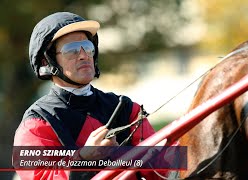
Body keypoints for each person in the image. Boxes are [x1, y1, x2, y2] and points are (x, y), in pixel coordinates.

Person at [13, 12, 164, 180]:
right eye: (72, 50)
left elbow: (164, 169)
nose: (84, 55)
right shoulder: (37, 123)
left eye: (88, 47)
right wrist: (84, 158)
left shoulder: (128, 109)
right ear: (46, 62)